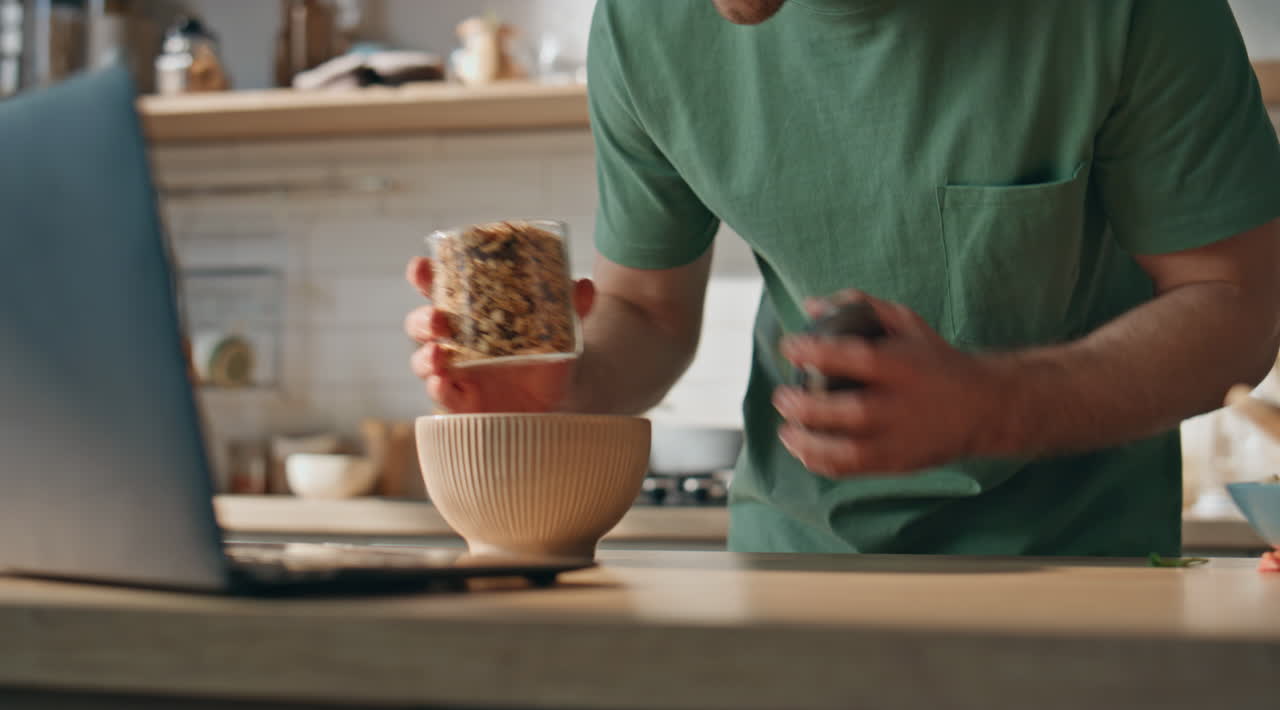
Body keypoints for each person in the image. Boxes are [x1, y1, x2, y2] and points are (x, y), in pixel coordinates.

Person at [406, 0, 1280, 557]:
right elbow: (646, 310)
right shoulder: (644, 25)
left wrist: (996, 406)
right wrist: (568, 383)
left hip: (1085, 572)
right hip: (791, 568)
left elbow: (1237, 305)